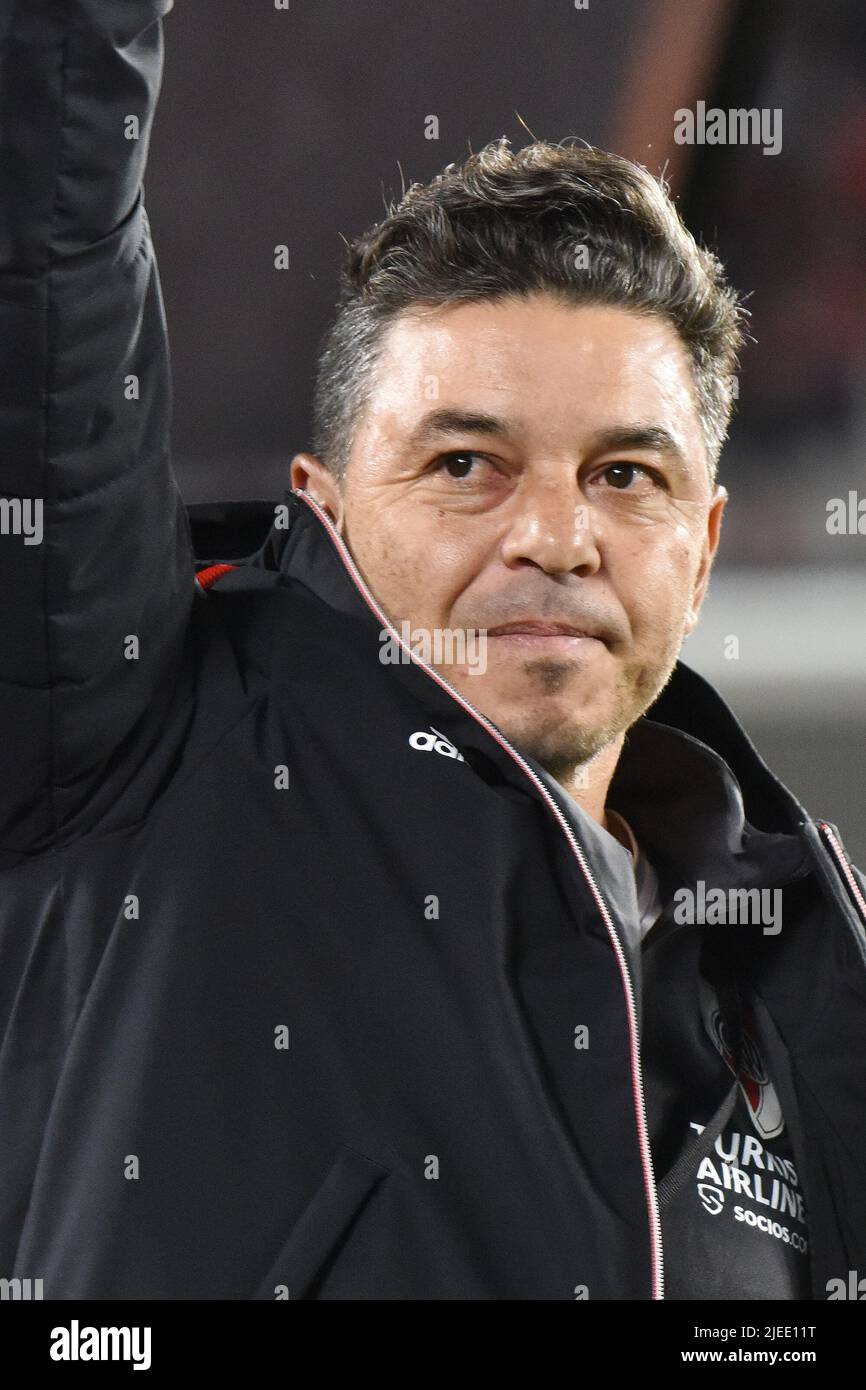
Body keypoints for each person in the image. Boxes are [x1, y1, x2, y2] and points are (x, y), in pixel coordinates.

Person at [1, 0, 865, 1302]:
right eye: (466, 462)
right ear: (327, 508)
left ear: (701, 546)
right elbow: (38, 240)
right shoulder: (145, 754)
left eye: (625, 473)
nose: (557, 536)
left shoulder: (791, 957)